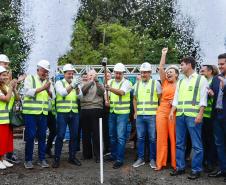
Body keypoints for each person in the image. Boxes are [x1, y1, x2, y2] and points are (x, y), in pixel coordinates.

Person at [169, 56, 208, 180]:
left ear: (189, 65)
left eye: (182, 65)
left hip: (193, 117)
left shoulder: (201, 79)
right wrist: (172, 111)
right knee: (179, 143)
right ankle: (180, 168)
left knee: (197, 145)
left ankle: (196, 170)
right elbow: (176, 98)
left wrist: (200, 114)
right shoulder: (180, 81)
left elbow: (203, 99)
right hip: (180, 116)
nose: (180, 67)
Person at [23, 60, 55, 169]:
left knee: (42, 136)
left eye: (47, 72)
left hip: (43, 113)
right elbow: (27, 92)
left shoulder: (48, 81)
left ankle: (42, 159)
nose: (45, 73)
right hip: (31, 113)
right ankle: (28, 160)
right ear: (38, 70)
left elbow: (53, 96)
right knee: (30, 136)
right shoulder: (30, 78)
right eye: (44, 71)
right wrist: (43, 88)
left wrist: (48, 90)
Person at [132, 62, 161, 169]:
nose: (143, 74)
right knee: (140, 138)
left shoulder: (155, 83)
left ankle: (153, 159)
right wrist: (135, 112)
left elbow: (160, 98)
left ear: (150, 73)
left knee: (153, 138)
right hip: (140, 116)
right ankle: (141, 159)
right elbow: (134, 99)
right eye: (142, 72)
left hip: (152, 116)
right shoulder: (137, 84)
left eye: (145, 72)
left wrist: (159, 112)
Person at [52, 64, 82, 168]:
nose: (71, 75)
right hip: (62, 113)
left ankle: (72, 157)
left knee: (74, 136)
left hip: (74, 112)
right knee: (60, 136)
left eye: (72, 73)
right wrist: (73, 85)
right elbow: (63, 93)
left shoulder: (75, 83)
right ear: (64, 74)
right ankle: (56, 158)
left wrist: (78, 88)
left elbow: (80, 96)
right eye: (69, 73)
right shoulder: (59, 83)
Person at [105, 63, 132, 169]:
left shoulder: (127, 83)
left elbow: (121, 92)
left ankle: (120, 159)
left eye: (120, 73)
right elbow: (106, 94)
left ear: (123, 73)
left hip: (123, 114)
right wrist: (106, 100)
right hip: (112, 112)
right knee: (112, 135)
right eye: (116, 73)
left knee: (121, 137)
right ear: (114, 72)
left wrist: (109, 89)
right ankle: (113, 155)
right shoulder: (110, 81)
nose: (117, 75)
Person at [156, 48, 179, 171]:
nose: (168, 73)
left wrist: (176, 103)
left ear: (176, 74)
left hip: (174, 112)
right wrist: (163, 54)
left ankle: (175, 163)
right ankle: (160, 163)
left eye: (171, 72)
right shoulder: (164, 82)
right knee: (161, 137)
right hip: (162, 111)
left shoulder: (181, 84)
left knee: (173, 137)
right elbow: (160, 68)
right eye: (168, 72)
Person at [208, 53, 226, 182]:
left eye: (222, 64)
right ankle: (223, 169)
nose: (220, 66)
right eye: (219, 64)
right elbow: (214, 95)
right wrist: (211, 93)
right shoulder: (216, 78)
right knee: (219, 144)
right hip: (217, 115)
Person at [80, 69, 105, 162]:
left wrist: (96, 81)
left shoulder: (98, 84)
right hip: (85, 109)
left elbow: (102, 92)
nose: (91, 77)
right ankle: (87, 154)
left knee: (96, 133)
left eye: (93, 75)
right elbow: (83, 91)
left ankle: (98, 155)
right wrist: (90, 81)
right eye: (90, 75)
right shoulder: (83, 83)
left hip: (96, 109)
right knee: (85, 133)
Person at [199, 65, 217, 172]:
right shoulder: (202, 81)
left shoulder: (214, 81)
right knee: (203, 140)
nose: (201, 72)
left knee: (211, 140)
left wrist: (211, 95)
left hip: (211, 115)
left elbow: (217, 96)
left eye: (203, 71)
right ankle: (204, 160)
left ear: (210, 71)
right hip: (202, 115)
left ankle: (210, 162)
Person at [0, 66, 17, 170]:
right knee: (1, 140)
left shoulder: (5, 86)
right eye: (3, 75)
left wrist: (13, 88)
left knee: (6, 140)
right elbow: (6, 99)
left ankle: (2, 159)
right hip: (1, 119)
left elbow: (16, 98)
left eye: (6, 74)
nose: (5, 77)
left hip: (8, 118)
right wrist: (11, 87)